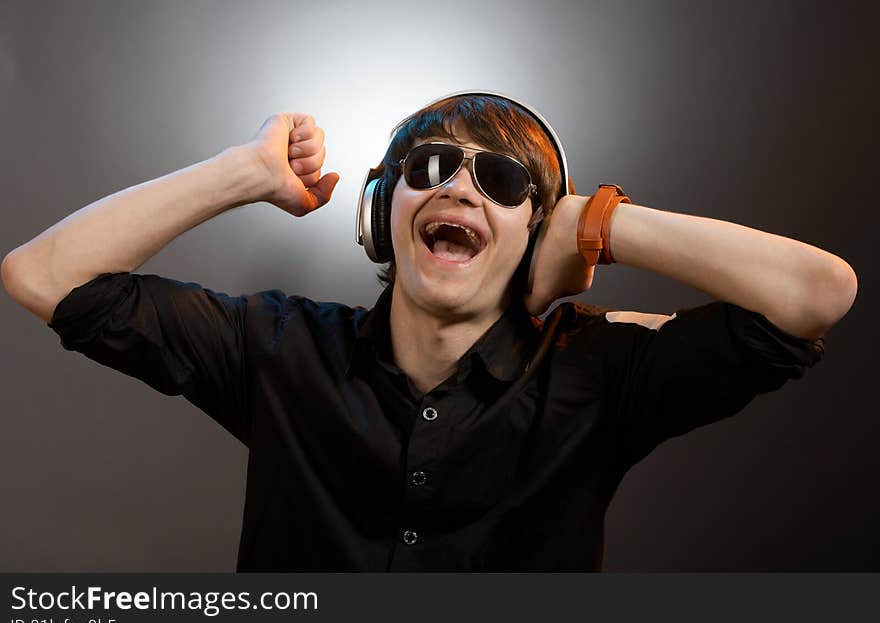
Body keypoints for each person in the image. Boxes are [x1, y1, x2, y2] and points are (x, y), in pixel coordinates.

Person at [1, 91, 858, 571]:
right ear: (383, 214)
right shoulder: (277, 346)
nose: (456, 188)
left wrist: (600, 224)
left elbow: (816, 292)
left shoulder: (599, 374)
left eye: (500, 180)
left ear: (534, 231)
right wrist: (244, 173)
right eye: (427, 168)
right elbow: (41, 276)